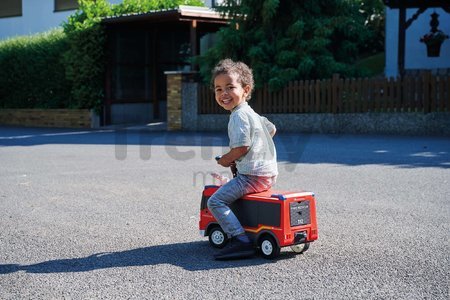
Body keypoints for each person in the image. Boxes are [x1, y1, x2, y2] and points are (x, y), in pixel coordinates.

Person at [207, 59, 278, 260]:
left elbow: (241, 147)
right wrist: (258, 148)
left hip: (252, 176)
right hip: (268, 174)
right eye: (218, 89)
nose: (223, 94)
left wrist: (226, 160)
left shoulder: (238, 116)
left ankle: (240, 240)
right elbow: (272, 129)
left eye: (230, 87)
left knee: (216, 201)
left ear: (245, 90)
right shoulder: (252, 113)